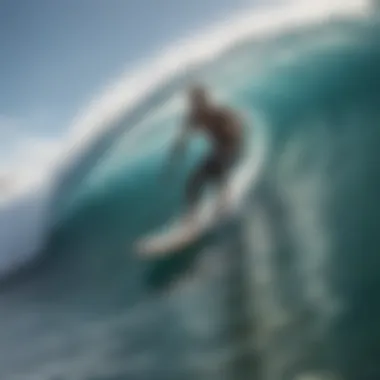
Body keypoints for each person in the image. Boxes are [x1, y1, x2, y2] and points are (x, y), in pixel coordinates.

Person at [168, 84, 244, 225]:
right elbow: (183, 135)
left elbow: (236, 125)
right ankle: (192, 216)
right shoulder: (193, 117)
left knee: (218, 169)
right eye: (192, 102)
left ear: (204, 100)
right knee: (193, 182)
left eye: (197, 101)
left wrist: (233, 133)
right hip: (217, 151)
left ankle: (226, 201)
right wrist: (177, 150)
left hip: (231, 148)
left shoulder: (218, 113)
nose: (194, 104)